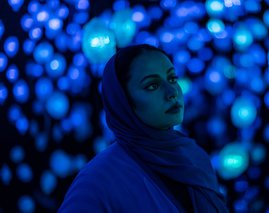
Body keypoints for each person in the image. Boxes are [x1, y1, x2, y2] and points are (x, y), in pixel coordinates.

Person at [58, 44, 229, 213]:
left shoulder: (194, 157)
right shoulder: (98, 180)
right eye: (152, 86)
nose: (172, 92)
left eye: (172, 79)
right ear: (123, 101)